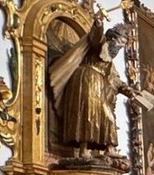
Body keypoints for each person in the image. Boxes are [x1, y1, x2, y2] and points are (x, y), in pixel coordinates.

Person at [47, 19, 131, 158]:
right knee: (86, 113)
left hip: (99, 84)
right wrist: (98, 25)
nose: (121, 47)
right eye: (121, 42)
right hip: (85, 79)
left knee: (107, 115)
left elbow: (114, 79)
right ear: (113, 38)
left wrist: (130, 91)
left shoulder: (109, 59)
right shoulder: (100, 46)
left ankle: (110, 149)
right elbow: (95, 38)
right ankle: (83, 149)